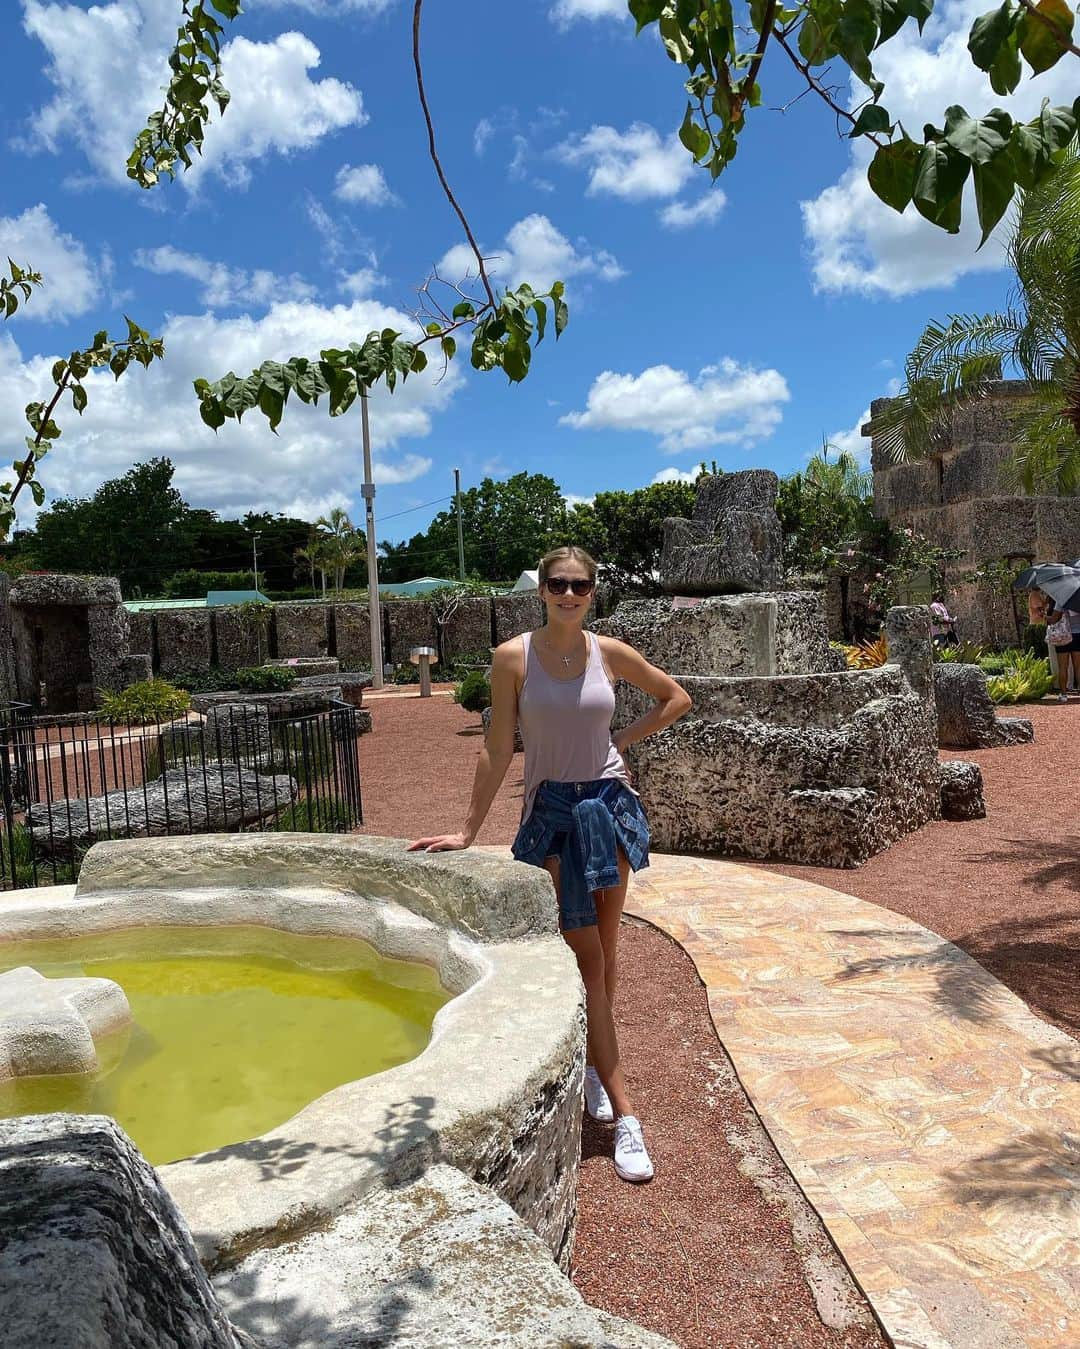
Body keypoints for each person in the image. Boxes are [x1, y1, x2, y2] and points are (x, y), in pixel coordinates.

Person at [410, 545, 692, 1184]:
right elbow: (497, 746)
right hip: (553, 814)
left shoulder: (608, 653)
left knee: (606, 951)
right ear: (541, 589)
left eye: (581, 585)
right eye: (558, 584)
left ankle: (596, 1066)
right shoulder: (513, 657)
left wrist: (621, 741)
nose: (569, 594)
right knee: (583, 953)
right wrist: (467, 829)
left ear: (593, 591)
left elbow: (675, 698)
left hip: (607, 806)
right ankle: (625, 1112)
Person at [1046, 591, 1080, 701]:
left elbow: (1054, 619)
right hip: (1078, 635)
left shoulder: (1062, 599)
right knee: (1078, 666)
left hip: (1063, 636)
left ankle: (1064, 694)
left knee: (1063, 666)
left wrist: (1045, 617)